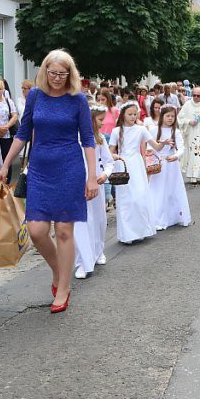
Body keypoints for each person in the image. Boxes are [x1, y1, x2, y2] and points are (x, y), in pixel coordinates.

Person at [0, 49, 98, 313]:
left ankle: (63, 287)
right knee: (37, 231)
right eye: (52, 72)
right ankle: (58, 270)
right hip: (40, 169)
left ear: (70, 74)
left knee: (64, 231)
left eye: (62, 74)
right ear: (44, 71)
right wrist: (6, 163)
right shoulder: (35, 96)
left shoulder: (77, 100)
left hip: (69, 168)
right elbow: (23, 132)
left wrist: (92, 177)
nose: (56, 78)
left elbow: (87, 140)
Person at [74, 106, 114, 280]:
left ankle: (98, 251)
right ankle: (83, 259)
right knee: (82, 222)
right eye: (99, 119)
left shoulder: (99, 140)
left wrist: (105, 174)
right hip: (76, 183)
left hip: (95, 182)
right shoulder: (74, 137)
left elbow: (108, 162)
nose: (103, 123)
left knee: (98, 219)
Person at [109, 102, 157, 244]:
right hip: (123, 163)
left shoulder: (141, 129)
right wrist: (114, 157)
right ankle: (127, 234)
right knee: (125, 200)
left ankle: (141, 230)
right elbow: (110, 151)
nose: (133, 116)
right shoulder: (116, 131)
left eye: (135, 114)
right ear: (123, 115)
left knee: (139, 196)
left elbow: (155, 145)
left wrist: (164, 143)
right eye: (129, 114)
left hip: (136, 163)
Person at [148, 105, 191, 230]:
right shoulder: (153, 130)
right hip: (159, 164)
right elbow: (150, 147)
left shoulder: (176, 132)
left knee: (172, 189)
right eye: (168, 116)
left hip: (171, 163)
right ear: (162, 116)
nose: (170, 118)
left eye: (173, 116)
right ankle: (157, 218)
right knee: (158, 190)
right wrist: (152, 154)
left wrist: (176, 156)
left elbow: (181, 147)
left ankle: (174, 216)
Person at [177, 86, 200, 184]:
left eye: (198, 96)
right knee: (192, 154)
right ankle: (192, 176)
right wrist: (189, 122)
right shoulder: (187, 105)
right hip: (191, 133)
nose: (196, 98)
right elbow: (180, 118)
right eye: (194, 95)